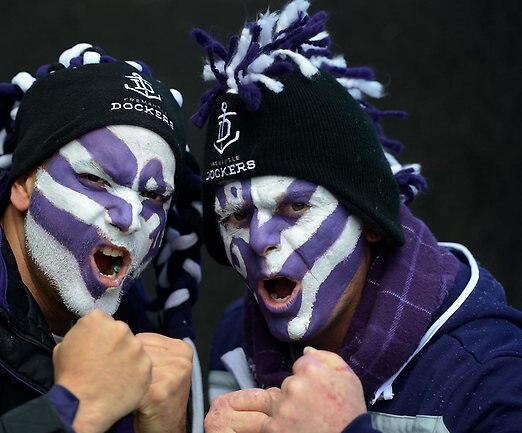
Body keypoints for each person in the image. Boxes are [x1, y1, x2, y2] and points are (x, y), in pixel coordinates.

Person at [190, 1, 522, 432]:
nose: (258, 240)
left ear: (368, 218)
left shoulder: (489, 377)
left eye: (294, 207)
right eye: (236, 215)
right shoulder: (237, 339)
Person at [0, 42, 204, 433]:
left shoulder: (131, 327)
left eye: (153, 197)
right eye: (96, 179)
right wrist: (74, 409)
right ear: (24, 186)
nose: (129, 218)